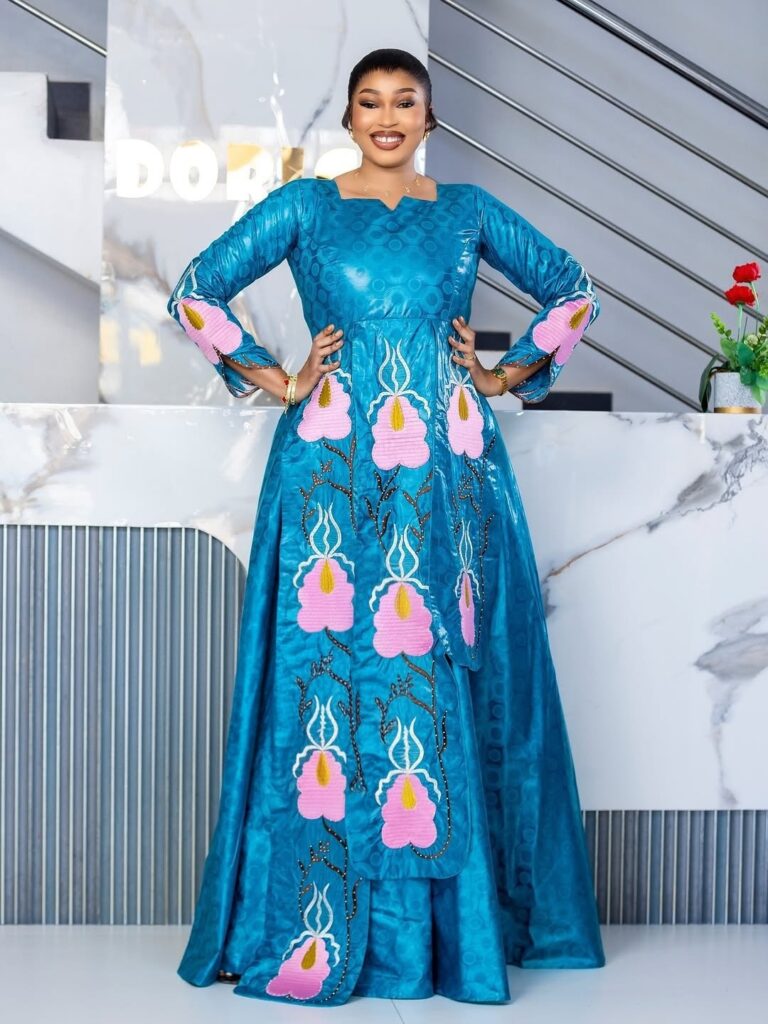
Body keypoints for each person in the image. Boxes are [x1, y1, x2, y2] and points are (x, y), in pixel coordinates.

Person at [166, 47, 605, 1007]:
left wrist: (502, 373)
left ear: (430, 118)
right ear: (350, 120)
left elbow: (574, 288)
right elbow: (194, 288)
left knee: (434, 667)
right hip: (328, 474)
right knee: (324, 671)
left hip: (444, 480)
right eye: (370, 102)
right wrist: (277, 378)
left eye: (406, 101)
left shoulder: (469, 211)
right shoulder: (307, 207)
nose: (388, 117)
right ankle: (323, 917)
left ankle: (449, 934)